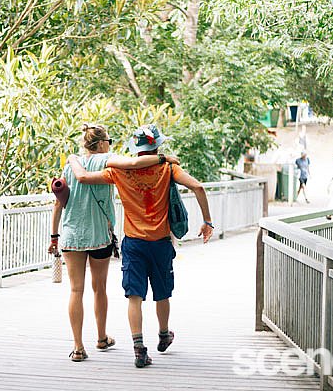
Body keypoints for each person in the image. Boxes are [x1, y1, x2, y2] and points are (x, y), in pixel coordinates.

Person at [67, 124, 213, 368]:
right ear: (157, 146)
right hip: (160, 242)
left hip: (133, 242)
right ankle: (164, 334)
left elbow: (83, 178)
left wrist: (73, 159)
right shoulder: (168, 167)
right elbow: (198, 187)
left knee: (134, 296)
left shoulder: (118, 172)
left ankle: (139, 349)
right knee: (162, 293)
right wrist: (207, 221)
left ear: (136, 148)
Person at [48, 124, 179, 362]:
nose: (110, 144)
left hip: (72, 235)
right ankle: (101, 337)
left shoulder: (71, 165)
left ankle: (78, 347)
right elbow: (134, 163)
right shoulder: (107, 160)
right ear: (101, 144)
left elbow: (59, 202)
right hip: (99, 235)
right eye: (109, 141)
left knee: (76, 290)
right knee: (99, 288)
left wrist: (54, 236)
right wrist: (163, 158)